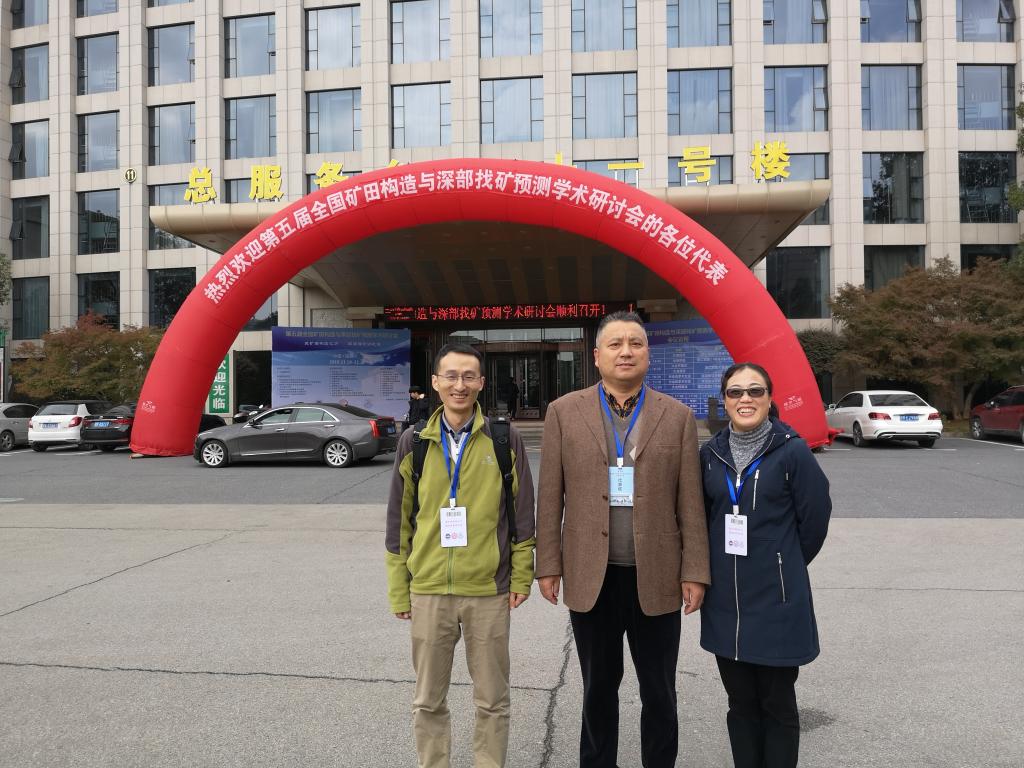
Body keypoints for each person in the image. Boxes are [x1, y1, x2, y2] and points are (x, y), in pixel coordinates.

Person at [535, 310, 710, 768]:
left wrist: (695, 570)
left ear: (648, 353)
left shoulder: (677, 416)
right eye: (615, 344)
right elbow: (550, 496)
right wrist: (548, 564)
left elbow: (690, 502)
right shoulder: (563, 412)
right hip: (592, 575)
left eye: (635, 343)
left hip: (657, 575)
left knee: (659, 690)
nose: (626, 351)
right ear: (597, 356)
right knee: (597, 688)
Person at [385, 343, 536, 768]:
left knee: (492, 699)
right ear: (436, 382)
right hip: (429, 588)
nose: (460, 385)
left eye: (469, 376)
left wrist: (521, 577)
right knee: (428, 700)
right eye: (450, 376)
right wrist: (399, 588)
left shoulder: (503, 438)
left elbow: (523, 513)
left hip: (488, 589)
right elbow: (399, 521)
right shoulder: (414, 442)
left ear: (481, 383)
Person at [699, 362, 832, 768]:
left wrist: (782, 562)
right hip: (726, 602)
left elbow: (814, 520)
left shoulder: (792, 452)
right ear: (725, 400)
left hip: (777, 600)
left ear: (770, 399)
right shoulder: (710, 455)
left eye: (755, 391)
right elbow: (702, 518)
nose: (745, 399)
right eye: (735, 392)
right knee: (740, 704)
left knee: (777, 704)